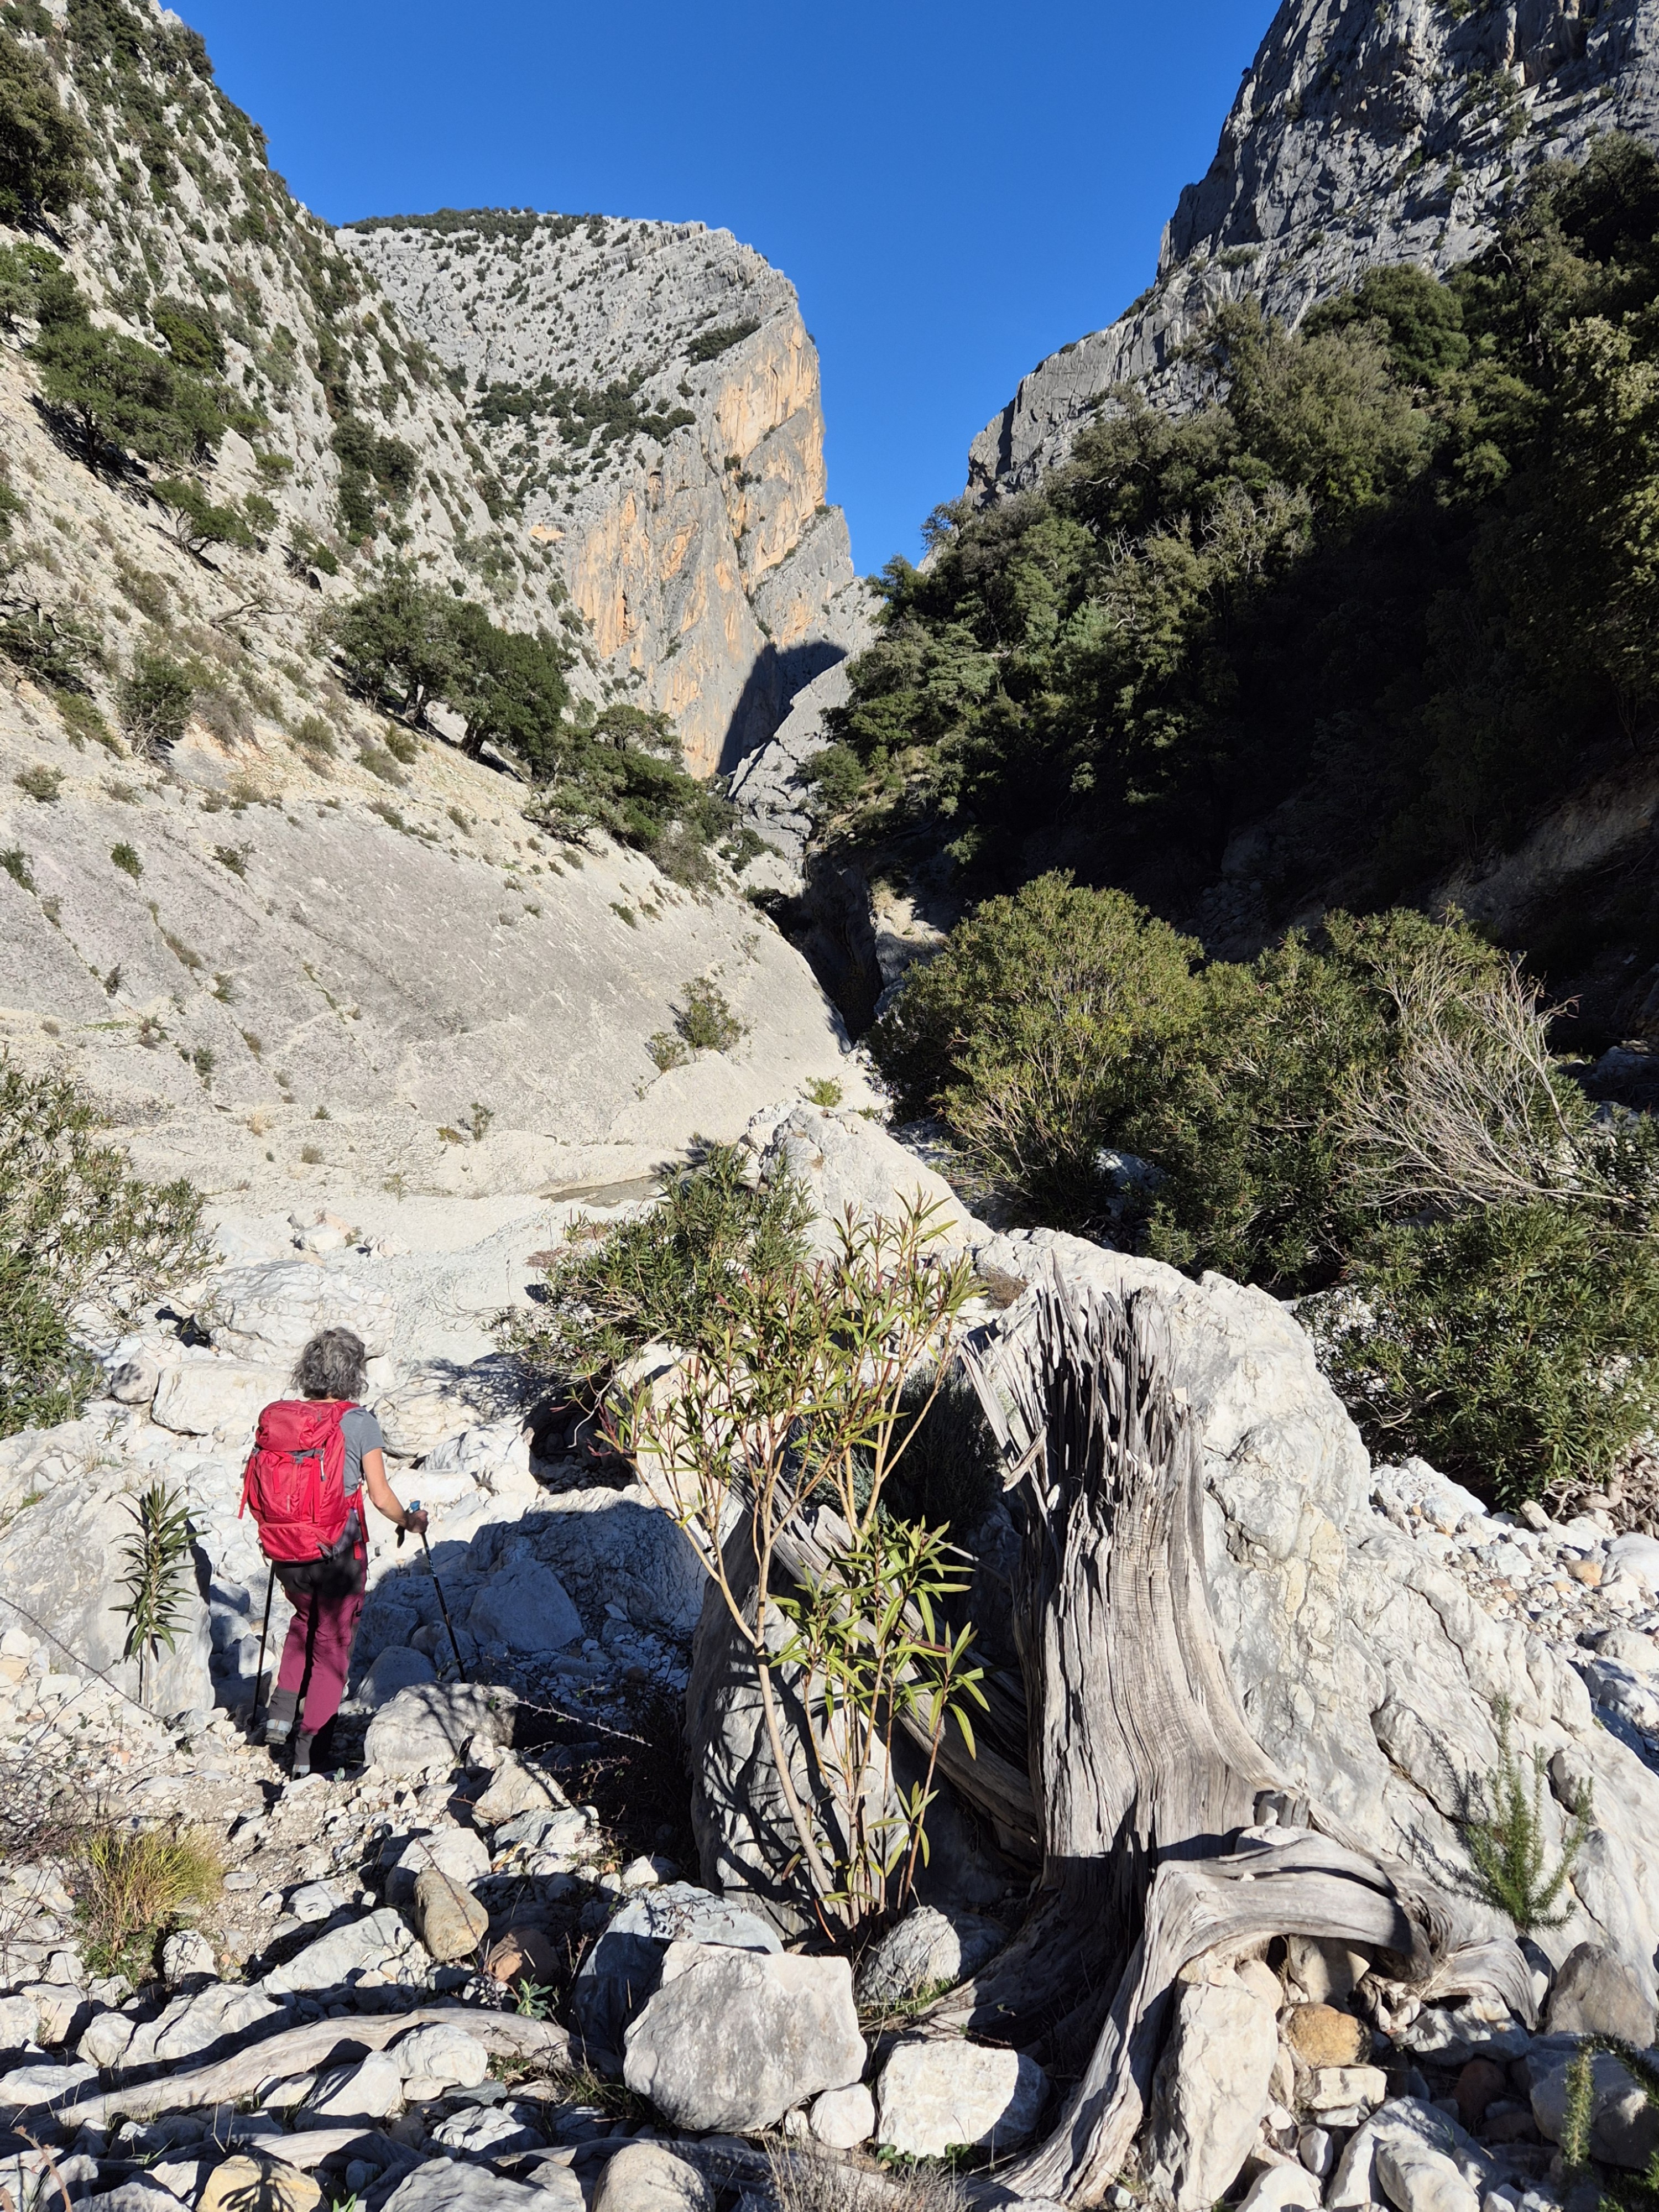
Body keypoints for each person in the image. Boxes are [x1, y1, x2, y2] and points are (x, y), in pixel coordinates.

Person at [249, 1326, 426, 1777]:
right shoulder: (359, 1422)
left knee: (304, 1621)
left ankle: (279, 1717)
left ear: (308, 1370)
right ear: (354, 1374)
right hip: (337, 1552)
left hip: (286, 1549)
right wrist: (410, 1521)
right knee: (332, 1646)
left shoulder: (281, 1418)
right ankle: (310, 1755)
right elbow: (380, 1496)